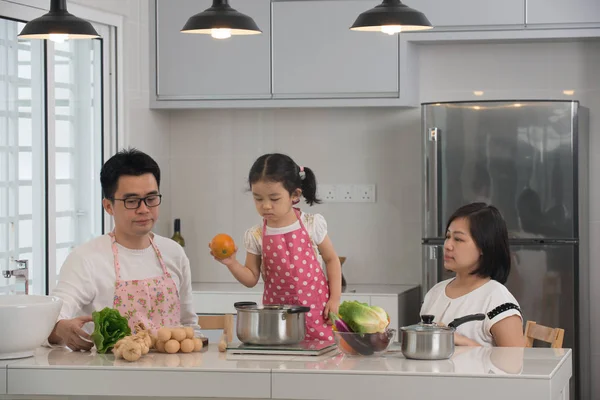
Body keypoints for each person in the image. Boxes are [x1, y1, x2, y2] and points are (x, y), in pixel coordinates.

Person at [48, 148, 197, 351]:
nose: (144, 209)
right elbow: (54, 318)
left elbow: (188, 324)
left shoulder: (174, 252)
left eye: (151, 199)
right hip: (111, 376)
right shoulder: (86, 259)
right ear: (108, 206)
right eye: (132, 201)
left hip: (173, 372)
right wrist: (60, 329)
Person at [210, 153, 342, 341]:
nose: (265, 206)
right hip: (277, 322)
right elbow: (251, 279)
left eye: (274, 198)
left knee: (319, 364)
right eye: (258, 199)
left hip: (318, 314)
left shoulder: (312, 224)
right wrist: (231, 263)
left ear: (294, 195)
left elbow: (332, 260)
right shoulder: (255, 235)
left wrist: (335, 299)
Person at [420, 203, 525, 347]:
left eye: (458, 239)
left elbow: (514, 364)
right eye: (448, 236)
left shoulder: (497, 300)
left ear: (484, 246)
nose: (447, 245)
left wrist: (466, 344)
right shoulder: (435, 293)